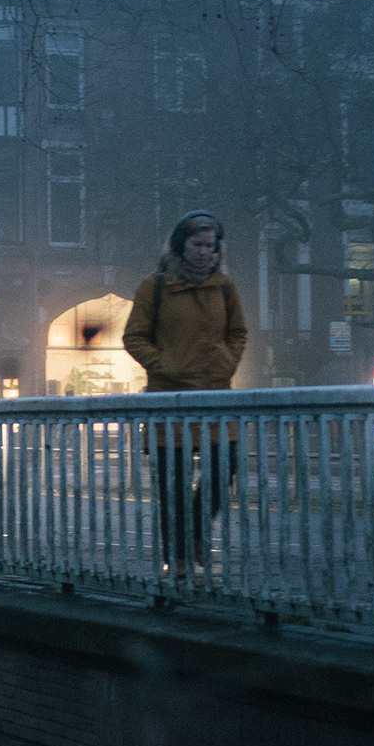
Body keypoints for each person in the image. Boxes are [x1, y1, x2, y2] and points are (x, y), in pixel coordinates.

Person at [122, 212, 248, 566]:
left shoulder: (224, 287)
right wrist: (167, 366)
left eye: (210, 245)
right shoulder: (156, 287)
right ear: (180, 245)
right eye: (197, 244)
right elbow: (134, 337)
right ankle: (178, 560)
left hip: (216, 399)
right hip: (169, 404)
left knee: (225, 472)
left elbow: (238, 333)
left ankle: (193, 534)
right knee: (173, 489)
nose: (204, 252)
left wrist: (226, 363)